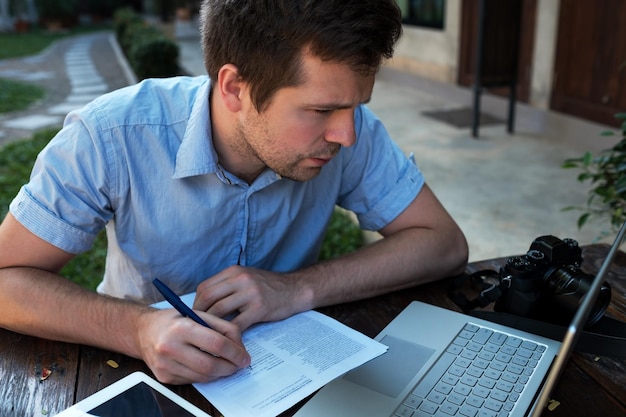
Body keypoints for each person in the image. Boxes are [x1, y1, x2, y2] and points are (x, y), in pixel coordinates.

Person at [0, 0, 468, 385]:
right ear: (234, 87)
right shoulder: (111, 135)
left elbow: (442, 242)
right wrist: (136, 328)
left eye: (356, 106)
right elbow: (6, 279)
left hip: (287, 376)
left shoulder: (350, 130)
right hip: (133, 373)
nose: (347, 134)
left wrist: (295, 288)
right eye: (322, 109)